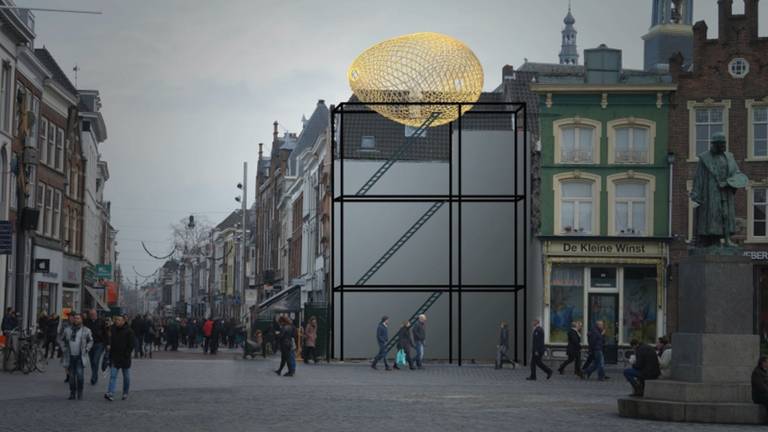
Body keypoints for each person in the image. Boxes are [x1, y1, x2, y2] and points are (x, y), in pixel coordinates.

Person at [61, 312, 94, 400]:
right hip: (70, 356)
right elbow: (61, 339)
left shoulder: (86, 330)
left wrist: (87, 349)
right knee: (71, 377)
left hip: (80, 356)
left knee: (79, 376)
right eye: (75, 318)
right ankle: (72, 393)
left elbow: (91, 341)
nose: (76, 320)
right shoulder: (67, 330)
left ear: (81, 320)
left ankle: (80, 392)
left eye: (78, 318)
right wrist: (63, 348)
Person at [104, 315, 134, 401]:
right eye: (116, 320)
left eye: (119, 320)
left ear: (123, 321)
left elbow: (131, 345)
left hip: (125, 357)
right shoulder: (112, 329)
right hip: (115, 356)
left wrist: (127, 354)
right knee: (113, 376)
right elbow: (108, 338)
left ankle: (125, 392)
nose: (117, 321)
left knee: (126, 377)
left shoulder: (129, 331)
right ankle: (111, 393)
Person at [84, 309, 108, 386]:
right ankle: (95, 375)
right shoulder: (86, 322)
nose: (92, 316)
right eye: (91, 314)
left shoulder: (101, 321)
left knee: (95, 360)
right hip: (90, 344)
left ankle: (93, 378)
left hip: (99, 344)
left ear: (96, 314)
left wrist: (106, 343)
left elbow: (105, 333)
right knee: (92, 362)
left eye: (93, 314)